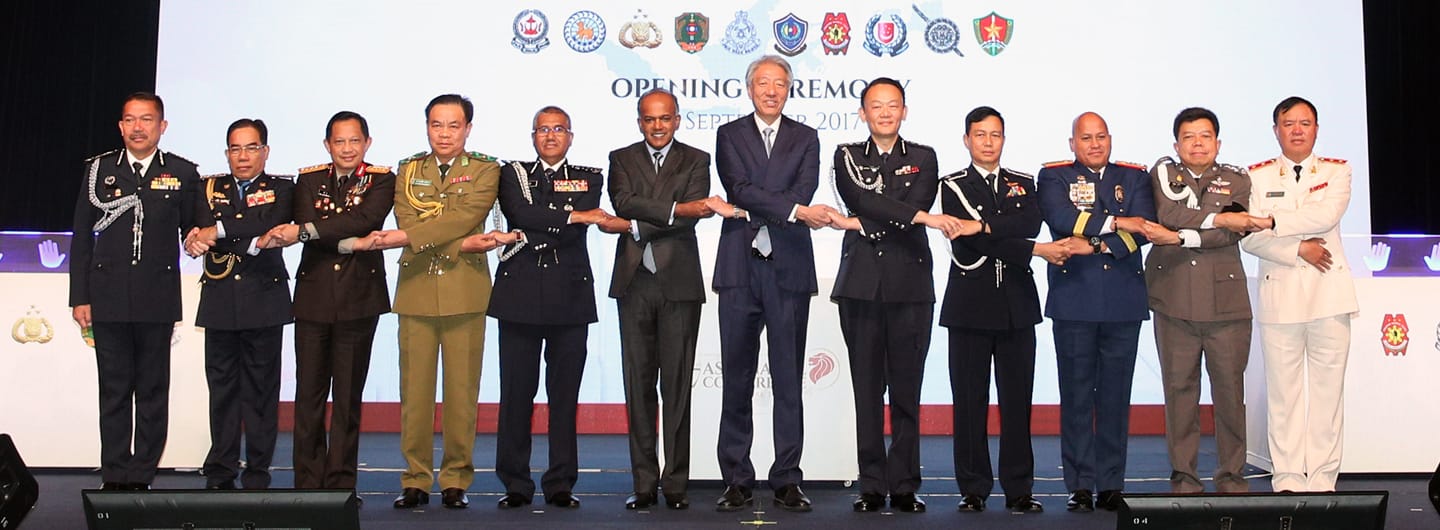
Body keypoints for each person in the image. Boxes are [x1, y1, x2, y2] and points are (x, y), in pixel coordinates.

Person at [826, 77, 972, 514]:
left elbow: (888, 208)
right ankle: (871, 483)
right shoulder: (846, 155)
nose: (885, 112)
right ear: (862, 112)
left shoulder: (924, 158)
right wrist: (920, 217)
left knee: (907, 392)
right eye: (876, 106)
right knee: (866, 391)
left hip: (910, 287)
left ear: (904, 111)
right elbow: (860, 198)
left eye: (893, 105)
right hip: (861, 288)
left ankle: (905, 483)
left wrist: (860, 222)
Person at [704, 54, 831, 513]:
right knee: (736, 377)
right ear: (750, 88)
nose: (771, 90)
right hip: (740, 269)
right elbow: (738, 186)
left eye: (780, 83)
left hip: (789, 269)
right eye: (763, 83)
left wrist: (758, 207)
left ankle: (786, 478)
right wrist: (785, 209)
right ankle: (736, 477)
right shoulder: (729, 134)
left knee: (788, 379)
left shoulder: (807, 137)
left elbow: (806, 191)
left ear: (789, 89)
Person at [489, 106, 628, 510]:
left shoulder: (589, 176)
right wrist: (570, 216)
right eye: (543, 129)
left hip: (569, 298)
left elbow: (559, 224)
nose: (550, 136)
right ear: (532, 136)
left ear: (571, 135)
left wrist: (549, 224)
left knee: (563, 397)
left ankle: (560, 483)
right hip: (518, 298)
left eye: (558, 129)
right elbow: (520, 211)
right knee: (516, 395)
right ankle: (515, 483)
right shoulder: (512, 175)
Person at [371, 94, 500, 509]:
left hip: (465, 292)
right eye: (436, 125)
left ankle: (456, 479)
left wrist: (437, 241)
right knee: (415, 393)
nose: (444, 134)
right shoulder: (409, 170)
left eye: (453, 125)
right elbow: (407, 219)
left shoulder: (485, 169)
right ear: (426, 126)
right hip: (416, 293)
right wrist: (459, 244)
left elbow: (464, 217)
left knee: (462, 393)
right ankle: (415, 478)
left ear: (467, 129)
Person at [69, 92, 200, 490]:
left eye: (146, 120)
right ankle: (114, 474)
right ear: (121, 126)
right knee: (113, 391)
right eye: (130, 120)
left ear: (162, 126)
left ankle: (141, 475)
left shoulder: (182, 172)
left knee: (152, 390)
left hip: (156, 299)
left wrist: (201, 239)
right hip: (107, 297)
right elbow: (81, 238)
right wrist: (80, 296)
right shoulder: (99, 171)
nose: (138, 127)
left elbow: (195, 228)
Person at [940, 106, 1067, 514]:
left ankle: (1018, 488)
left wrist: (986, 225)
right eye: (980, 134)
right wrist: (1028, 247)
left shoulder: (1022, 183)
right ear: (967, 140)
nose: (989, 142)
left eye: (995, 134)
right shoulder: (951, 186)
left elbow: (1029, 223)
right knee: (969, 400)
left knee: (1017, 402)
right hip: (969, 307)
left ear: (1004, 139)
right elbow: (967, 241)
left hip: (1016, 306)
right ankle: (973, 488)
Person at [262, 111, 396, 490]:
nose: (348, 148)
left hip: (360, 299)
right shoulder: (308, 179)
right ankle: (306, 485)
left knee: (348, 400)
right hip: (313, 298)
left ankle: (340, 486)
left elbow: (364, 220)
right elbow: (319, 228)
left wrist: (306, 232)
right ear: (327, 145)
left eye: (355, 141)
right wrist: (345, 241)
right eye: (340, 141)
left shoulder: (383, 179)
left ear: (367, 143)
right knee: (308, 397)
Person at [1035, 111, 1155, 512]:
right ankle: (1080, 483)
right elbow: (1062, 219)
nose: (1095, 144)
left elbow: (1146, 229)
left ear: (1110, 139)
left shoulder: (1135, 177)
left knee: (1116, 398)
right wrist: (1119, 222)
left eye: (1101, 136)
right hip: (1075, 300)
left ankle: (1110, 483)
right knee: (1076, 395)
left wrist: (1101, 243)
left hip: (1123, 301)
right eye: (1085, 138)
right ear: (1072, 143)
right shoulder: (1054, 177)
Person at [1239, 96, 1358, 492]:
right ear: (1276, 130)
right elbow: (1249, 239)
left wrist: (1271, 220)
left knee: (1327, 395)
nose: (1296, 130)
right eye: (1288, 123)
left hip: (1329, 296)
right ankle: (1287, 478)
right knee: (1284, 396)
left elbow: (1325, 216)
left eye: (1304, 123)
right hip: (1281, 296)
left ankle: (1323, 478)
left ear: (1316, 129)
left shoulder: (1337, 171)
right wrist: (1297, 248)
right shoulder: (1255, 176)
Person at [607, 88, 714, 511]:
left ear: (677, 120)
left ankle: (676, 484)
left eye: (664, 118)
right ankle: (644, 483)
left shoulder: (697, 158)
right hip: (634, 283)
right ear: (639, 122)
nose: (657, 126)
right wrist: (674, 211)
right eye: (649, 119)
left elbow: (695, 209)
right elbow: (621, 201)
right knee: (638, 387)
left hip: (680, 285)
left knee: (677, 389)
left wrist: (635, 224)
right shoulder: (621, 157)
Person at [1139, 107, 1254, 494]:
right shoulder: (1162, 175)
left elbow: (1234, 230)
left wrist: (1185, 234)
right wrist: (1217, 218)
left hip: (1227, 303)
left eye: (1205, 136)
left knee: (1229, 395)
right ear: (1177, 144)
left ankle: (1231, 476)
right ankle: (1185, 477)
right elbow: (1167, 213)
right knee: (1180, 392)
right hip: (1173, 299)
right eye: (1189, 136)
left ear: (1218, 143)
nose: (1198, 143)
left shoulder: (1237, 179)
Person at [183, 118, 294, 490]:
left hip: (264, 299)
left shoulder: (282, 187)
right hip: (220, 301)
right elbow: (203, 228)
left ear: (265, 151)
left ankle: (259, 471)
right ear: (227, 152)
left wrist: (221, 231)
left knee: (262, 392)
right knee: (223, 391)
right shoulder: (207, 188)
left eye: (251, 147)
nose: (242, 156)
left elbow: (273, 220)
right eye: (235, 148)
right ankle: (221, 469)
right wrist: (246, 239)